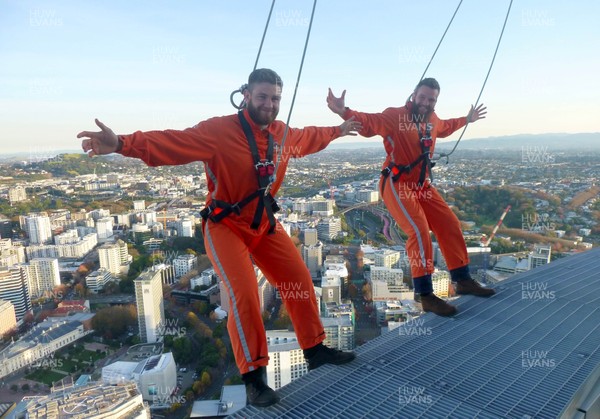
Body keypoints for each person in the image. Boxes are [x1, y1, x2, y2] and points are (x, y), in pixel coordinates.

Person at [79, 68, 360, 407]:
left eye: (275, 98)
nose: (269, 104)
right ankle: (254, 379)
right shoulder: (219, 131)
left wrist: (340, 129)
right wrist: (122, 144)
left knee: (298, 279)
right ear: (246, 96)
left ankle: (315, 350)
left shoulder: (282, 135)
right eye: (262, 97)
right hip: (225, 224)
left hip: (263, 222)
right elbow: (171, 143)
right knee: (243, 295)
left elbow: (311, 136)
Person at [327, 78, 495, 317]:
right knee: (418, 231)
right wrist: (344, 111)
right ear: (414, 95)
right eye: (423, 97)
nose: (426, 103)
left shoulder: (432, 120)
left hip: (420, 184)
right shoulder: (394, 116)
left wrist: (467, 119)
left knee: (450, 224)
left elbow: (445, 126)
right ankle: (426, 295)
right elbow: (370, 123)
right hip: (397, 183)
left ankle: (462, 279)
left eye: (431, 99)